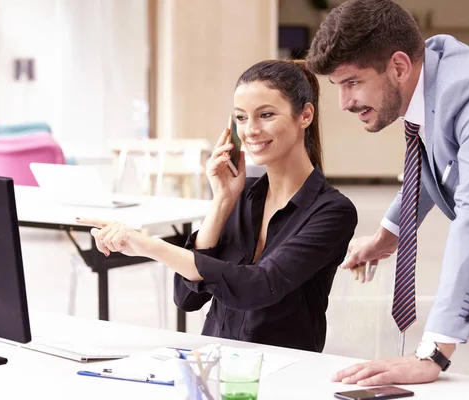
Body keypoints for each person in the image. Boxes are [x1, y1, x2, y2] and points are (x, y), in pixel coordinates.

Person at [305, 0, 469, 398]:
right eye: (337, 87)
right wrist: (389, 233)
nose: (344, 103)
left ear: (398, 66)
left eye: (352, 83)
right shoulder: (433, 76)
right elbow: (440, 163)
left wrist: (434, 353)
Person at [77, 59, 358, 353]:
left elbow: (259, 286)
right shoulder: (240, 196)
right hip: (214, 364)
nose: (250, 130)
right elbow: (187, 299)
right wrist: (221, 202)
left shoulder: (332, 212)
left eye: (266, 115)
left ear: (305, 115)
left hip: (282, 372)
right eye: (240, 118)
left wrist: (148, 245)